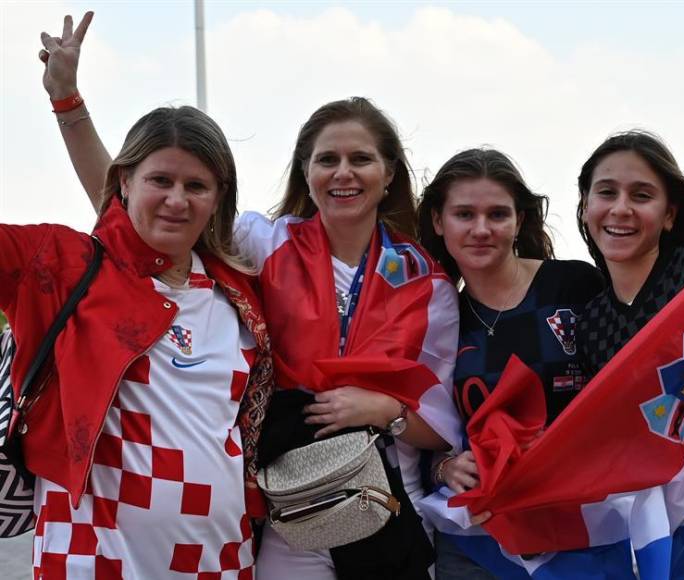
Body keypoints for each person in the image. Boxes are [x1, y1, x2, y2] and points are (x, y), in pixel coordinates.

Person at [39, 13, 461, 580]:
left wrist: (387, 413)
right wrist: (70, 106)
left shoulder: (427, 283)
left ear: (389, 175)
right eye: (326, 159)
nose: (344, 173)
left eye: (361, 159)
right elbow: (130, 214)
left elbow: (443, 428)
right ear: (305, 172)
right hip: (290, 509)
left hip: (385, 504)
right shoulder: (262, 243)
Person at [0, 105, 273, 577]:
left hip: (223, 560)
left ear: (217, 197)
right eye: (160, 181)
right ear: (124, 181)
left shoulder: (240, 291)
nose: (177, 200)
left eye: (196, 186)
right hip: (91, 560)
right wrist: (68, 104)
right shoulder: (62, 265)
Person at [416, 148, 605, 578]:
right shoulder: (437, 319)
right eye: (464, 214)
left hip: (583, 530)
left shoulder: (575, 284)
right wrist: (444, 468)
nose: (481, 229)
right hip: (479, 545)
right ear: (437, 222)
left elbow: (627, 385)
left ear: (520, 220)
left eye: (497, 214)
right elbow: (422, 430)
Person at [574, 130, 684, 375]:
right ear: (585, 205)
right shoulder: (591, 327)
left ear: (669, 214)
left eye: (642, 196)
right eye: (607, 192)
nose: (621, 209)